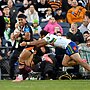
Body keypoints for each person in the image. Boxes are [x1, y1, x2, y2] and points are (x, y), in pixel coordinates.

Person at [20, 32, 90, 72]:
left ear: (43, 36)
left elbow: (38, 42)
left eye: (41, 37)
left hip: (69, 46)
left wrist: (27, 43)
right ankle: (81, 61)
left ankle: (82, 63)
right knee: (64, 63)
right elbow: (39, 44)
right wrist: (33, 50)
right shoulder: (50, 38)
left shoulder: (48, 37)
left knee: (81, 62)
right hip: (68, 47)